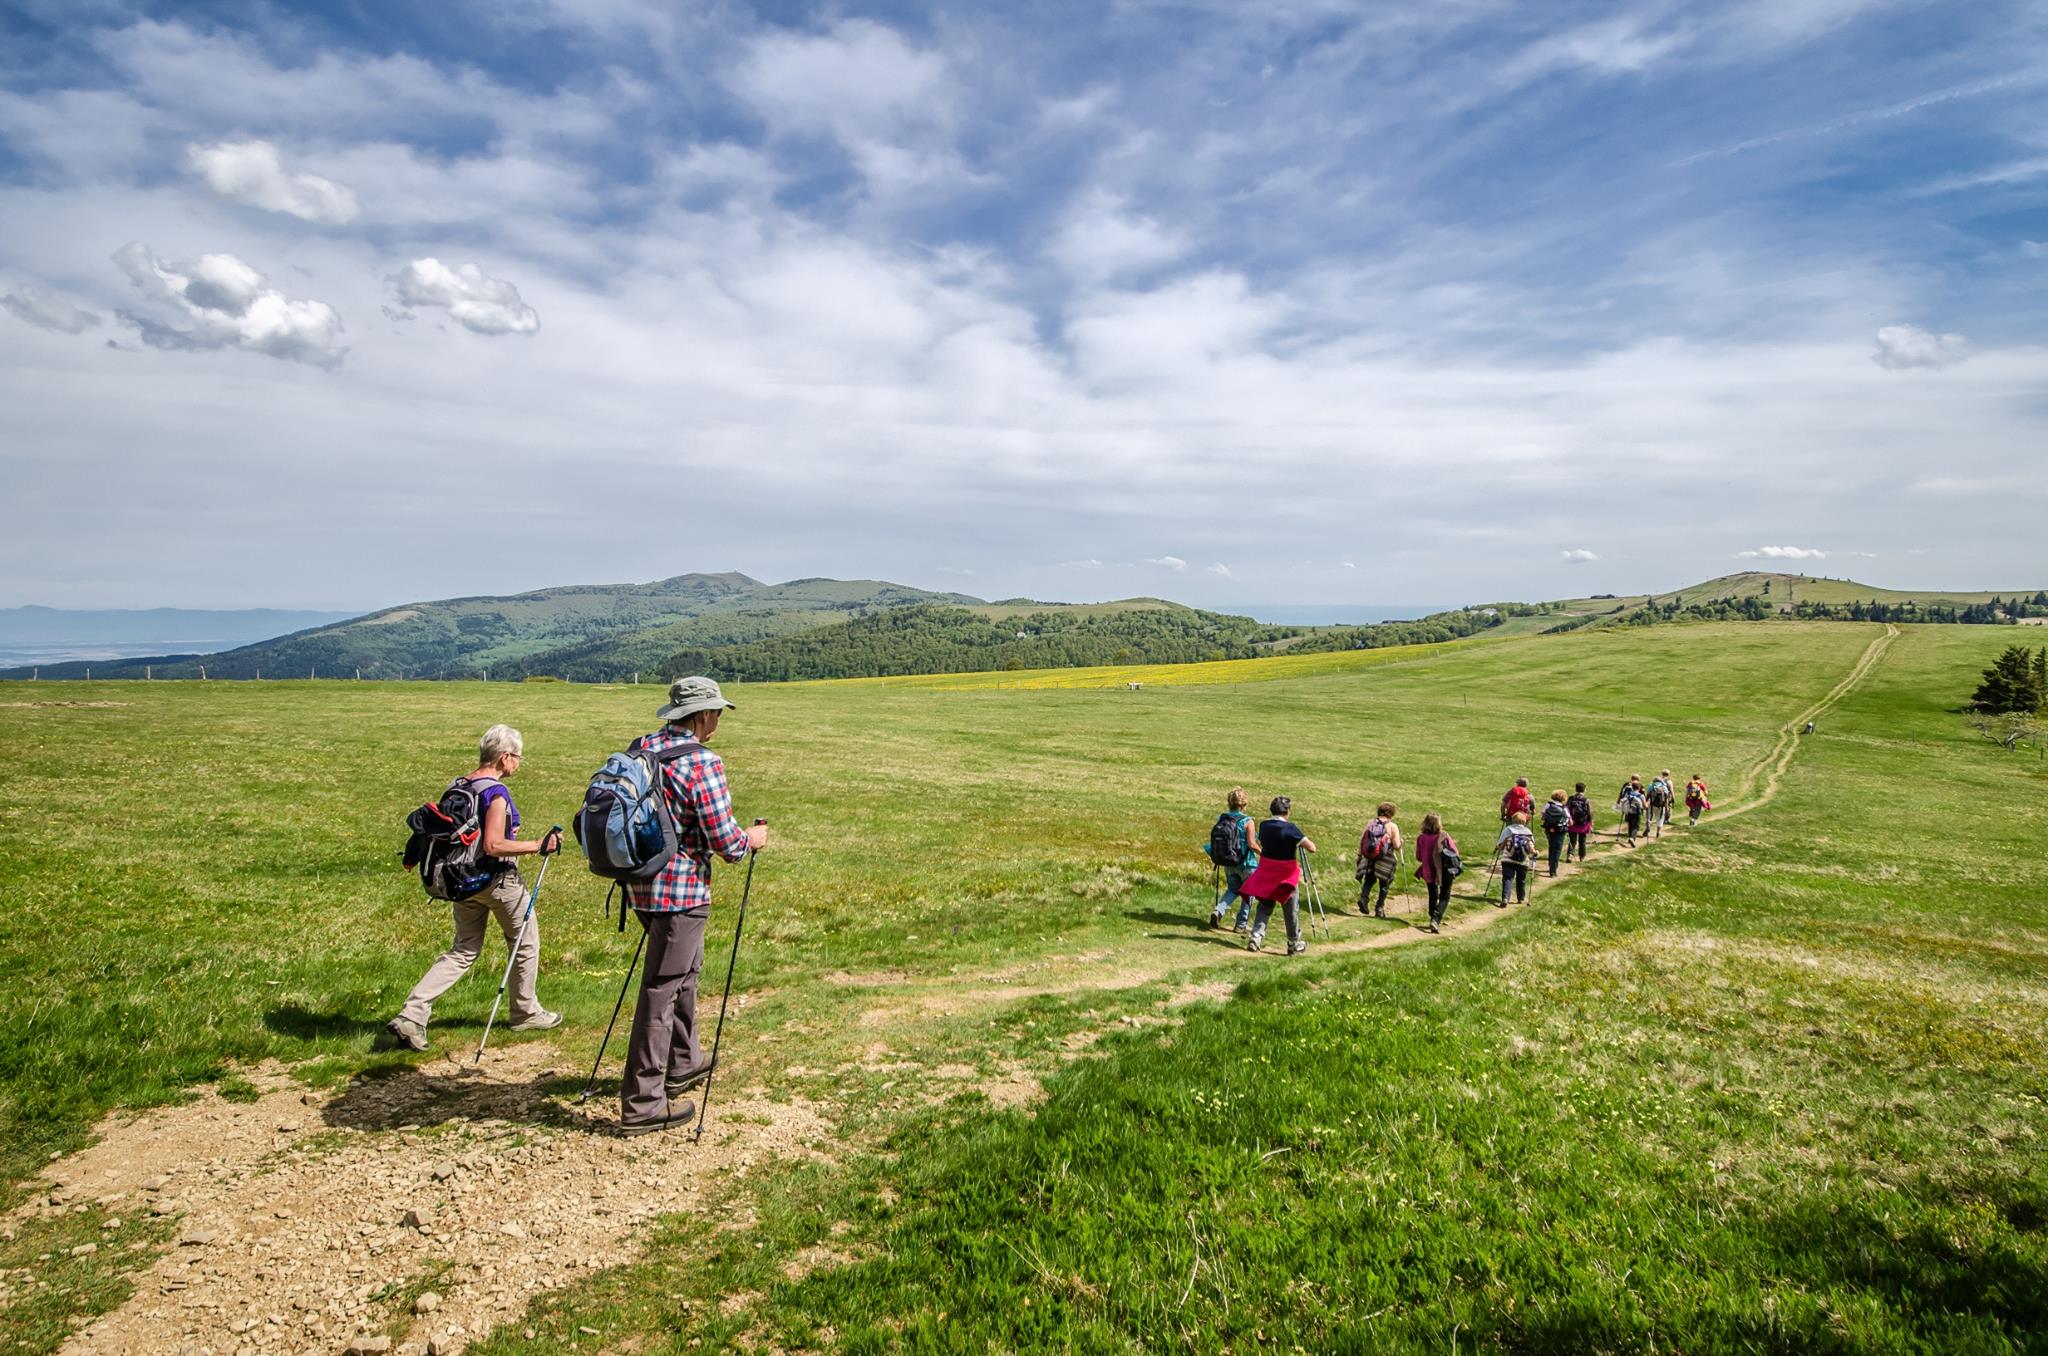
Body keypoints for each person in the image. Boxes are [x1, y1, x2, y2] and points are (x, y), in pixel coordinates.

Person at [618, 677, 770, 1135]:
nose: (719, 720)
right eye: (717, 713)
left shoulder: (641, 748)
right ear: (702, 716)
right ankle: (643, 1102)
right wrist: (751, 841)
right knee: (662, 989)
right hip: (681, 892)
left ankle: (684, 1060)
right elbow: (725, 840)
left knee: (684, 972)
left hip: (641, 885)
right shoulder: (702, 763)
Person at [387, 724, 563, 1052]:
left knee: (464, 950)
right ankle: (524, 1012)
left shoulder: (459, 785)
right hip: (496, 881)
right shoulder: (496, 793)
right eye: (518, 757)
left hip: (460, 881)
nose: (519, 764)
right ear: (505, 757)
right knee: (525, 940)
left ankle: (412, 1014)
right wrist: (539, 845)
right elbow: (494, 845)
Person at [1240, 796, 1317, 955]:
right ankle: (1293, 942)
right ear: (1288, 811)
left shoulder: (1264, 825)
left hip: (1267, 872)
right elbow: (1312, 848)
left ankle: (1256, 936)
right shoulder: (1291, 828)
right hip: (1285, 875)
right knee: (1290, 909)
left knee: (1265, 905)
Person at [1206, 788, 1259, 933]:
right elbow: (1252, 844)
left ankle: (1218, 911)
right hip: (1247, 863)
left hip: (1229, 861)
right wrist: (1264, 853)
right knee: (1248, 893)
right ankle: (1241, 924)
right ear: (1244, 804)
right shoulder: (1248, 821)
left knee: (1233, 889)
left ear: (1229, 803)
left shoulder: (1222, 819)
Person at [1354, 802, 1401, 918]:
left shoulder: (1370, 823)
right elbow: (1396, 845)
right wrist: (1401, 844)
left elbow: (1362, 840)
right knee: (1384, 883)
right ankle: (1379, 908)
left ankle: (1364, 898)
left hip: (1370, 856)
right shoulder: (1392, 826)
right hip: (1385, 858)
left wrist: (1359, 855)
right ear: (1391, 813)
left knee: (1369, 880)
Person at [1412, 813, 1458, 934]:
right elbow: (1455, 852)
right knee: (1445, 895)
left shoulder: (1421, 838)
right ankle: (1436, 919)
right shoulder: (1443, 836)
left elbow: (1418, 857)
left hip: (1428, 870)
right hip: (1444, 870)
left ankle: (1433, 916)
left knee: (1433, 894)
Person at [1495, 811, 1536, 906]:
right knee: (1521, 879)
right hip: (1523, 861)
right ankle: (1521, 898)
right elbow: (1531, 847)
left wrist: (1500, 847)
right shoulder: (1528, 832)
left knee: (1507, 878)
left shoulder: (1508, 830)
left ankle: (1505, 898)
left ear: (1513, 820)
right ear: (1524, 821)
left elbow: (1500, 845)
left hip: (1507, 859)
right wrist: (1535, 852)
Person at [1539, 790, 1570, 876]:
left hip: (1549, 829)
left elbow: (1543, 815)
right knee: (1557, 850)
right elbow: (1569, 820)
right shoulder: (1564, 808)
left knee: (1551, 846)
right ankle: (1553, 870)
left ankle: (1550, 865)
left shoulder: (1548, 805)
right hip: (1560, 831)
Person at [1565, 782, 1594, 861]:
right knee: (1582, 840)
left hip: (1572, 823)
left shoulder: (1571, 798)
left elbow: (1566, 809)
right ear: (1584, 790)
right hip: (1583, 824)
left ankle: (1570, 855)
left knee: (1572, 840)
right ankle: (1582, 856)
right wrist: (1591, 822)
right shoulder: (1586, 800)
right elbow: (1590, 812)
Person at [1617, 777, 1647, 845]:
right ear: (1639, 788)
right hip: (1636, 812)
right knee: (1636, 826)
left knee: (1630, 825)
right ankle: (1632, 838)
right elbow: (1645, 806)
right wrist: (1648, 802)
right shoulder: (1641, 795)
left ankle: (1630, 837)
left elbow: (1623, 800)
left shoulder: (1628, 794)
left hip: (1628, 811)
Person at [1646, 770, 1675, 837]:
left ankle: (1648, 828)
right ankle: (1658, 832)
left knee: (1649, 817)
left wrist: (1646, 803)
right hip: (1661, 806)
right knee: (1660, 819)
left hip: (1652, 804)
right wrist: (1667, 808)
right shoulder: (1664, 786)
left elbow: (1647, 795)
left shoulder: (1651, 785)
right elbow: (1666, 798)